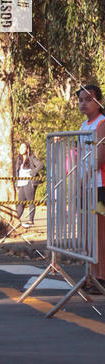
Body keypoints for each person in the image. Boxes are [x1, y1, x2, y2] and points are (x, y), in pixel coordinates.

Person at [77, 84, 105, 293]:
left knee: (99, 233)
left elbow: (100, 155)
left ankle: (101, 276)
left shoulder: (101, 123)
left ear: (98, 101)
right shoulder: (82, 126)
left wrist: (88, 175)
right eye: (81, 99)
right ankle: (91, 276)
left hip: (100, 184)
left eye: (88, 99)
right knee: (88, 233)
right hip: (86, 186)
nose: (83, 103)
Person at [15, 141, 43, 227]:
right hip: (21, 183)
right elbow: (17, 172)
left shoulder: (31, 157)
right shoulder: (19, 159)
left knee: (30, 201)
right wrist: (16, 184)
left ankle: (31, 220)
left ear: (27, 149)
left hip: (29, 183)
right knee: (20, 203)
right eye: (20, 147)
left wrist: (32, 172)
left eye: (23, 147)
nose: (21, 149)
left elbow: (41, 165)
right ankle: (16, 219)